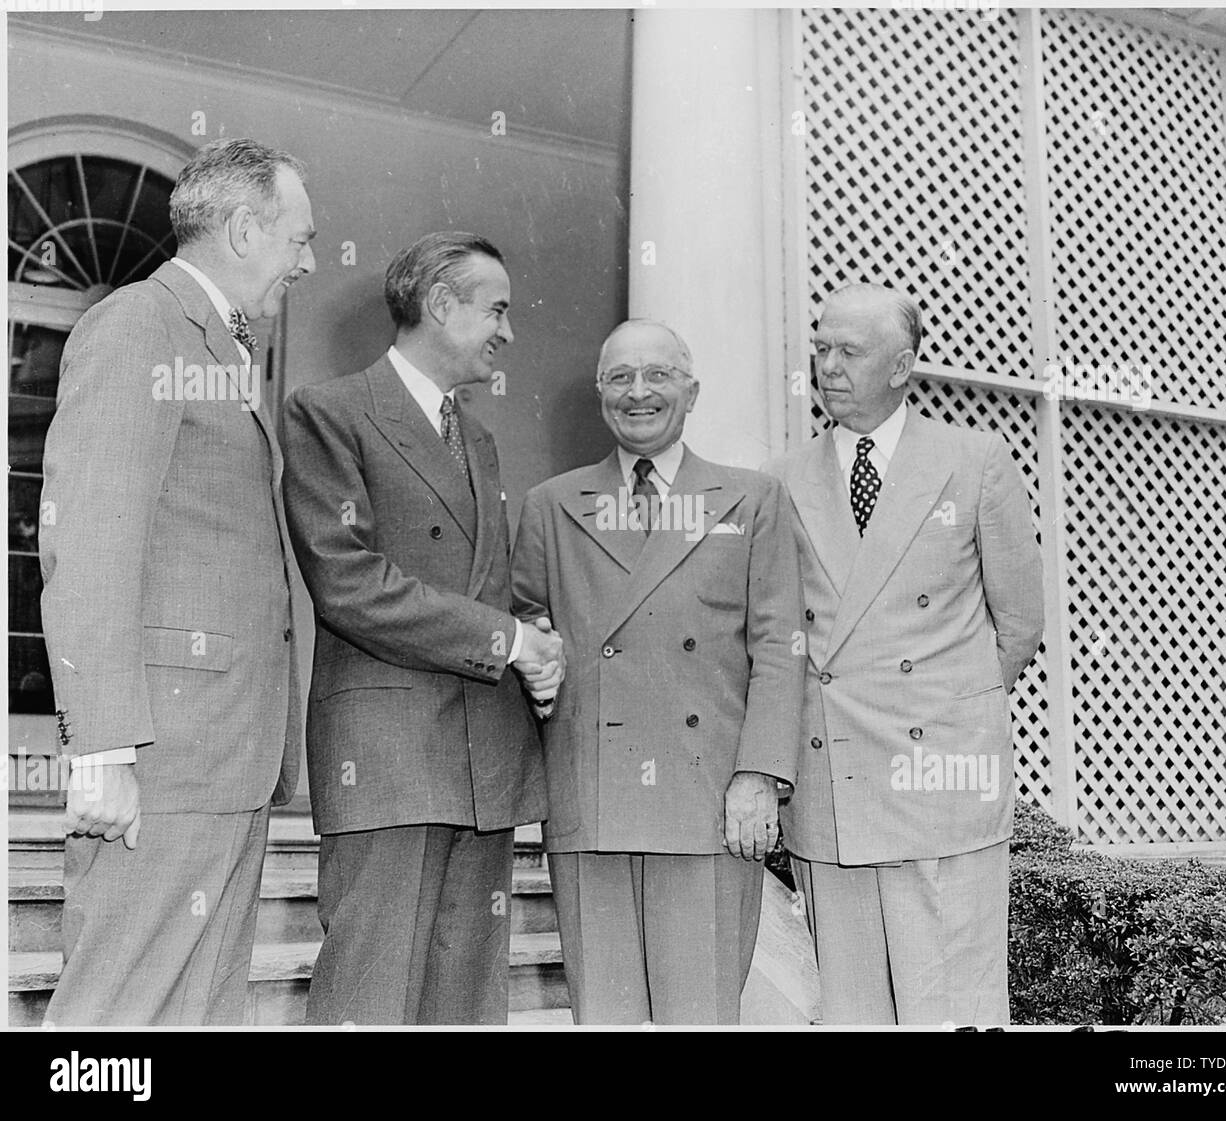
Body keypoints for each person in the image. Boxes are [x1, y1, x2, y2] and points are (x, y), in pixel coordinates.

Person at [39, 137, 316, 1024]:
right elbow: (88, 540)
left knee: (194, 1015)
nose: (307, 264)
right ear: (242, 231)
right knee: (118, 1020)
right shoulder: (138, 326)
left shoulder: (219, 352)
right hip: (164, 758)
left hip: (222, 758)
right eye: (298, 241)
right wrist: (104, 746)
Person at [281, 232, 560, 1024]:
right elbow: (349, 581)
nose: (508, 331)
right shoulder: (330, 413)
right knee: (372, 997)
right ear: (441, 303)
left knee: (467, 1005)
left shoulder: (478, 439)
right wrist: (508, 640)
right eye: (496, 308)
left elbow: (486, 587)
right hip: (387, 760)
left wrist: (534, 635)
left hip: (485, 760)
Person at [766, 283, 1044, 1025]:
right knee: (853, 1010)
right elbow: (778, 635)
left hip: (942, 780)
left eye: (848, 351)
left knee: (952, 1007)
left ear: (902, 365)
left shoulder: (975, 459)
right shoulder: (781, 479)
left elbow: (1018, 623)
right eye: (821, 347)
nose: (827, 365)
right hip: (833, 781)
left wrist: (947, 713)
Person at [510, 319, 803, 1024]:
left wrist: (759, 774)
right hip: (594, 798)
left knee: (698, 1014)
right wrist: (536, 662)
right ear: (600, 393)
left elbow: (781, 646)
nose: (638, 392)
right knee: (604, 1016)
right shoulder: (552, 505)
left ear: (691, 390)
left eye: (658, 375)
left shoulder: (750, 499)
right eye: (619, 377)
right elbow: (524, 625)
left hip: (708, 801)